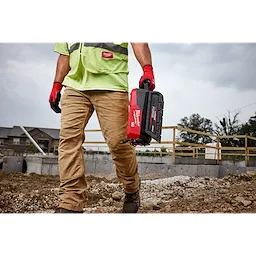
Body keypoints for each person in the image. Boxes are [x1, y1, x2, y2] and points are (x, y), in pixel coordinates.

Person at [48, 40, 155, 216]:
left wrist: (147, 69)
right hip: (75, 86)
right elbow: (65, 53)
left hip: (111, 83)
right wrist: (57, 84)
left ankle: (131, 188)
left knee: (118, 144)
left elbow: (138, 41)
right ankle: (70, 203)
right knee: (68, 141)